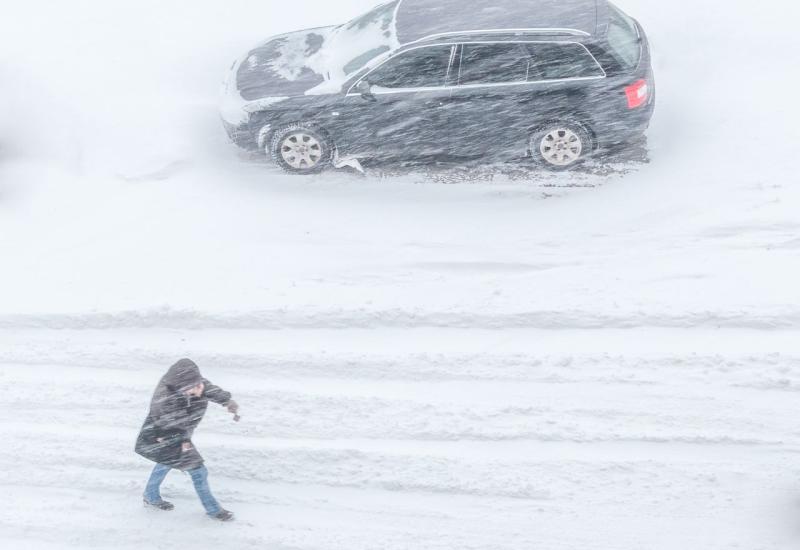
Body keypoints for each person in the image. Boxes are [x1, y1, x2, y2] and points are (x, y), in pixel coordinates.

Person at [135, 358, 239, 521]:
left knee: (165, 462)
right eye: (193, 389)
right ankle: (213, 510)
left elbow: (207, 388)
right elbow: (172, 424)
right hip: (165, 436)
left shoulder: (190, 379)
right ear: (181, 388)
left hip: (177, 435)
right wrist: (184, 442)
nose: (199, 391)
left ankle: (150, 495)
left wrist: (227, 401)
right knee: (198, 471)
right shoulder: (165, 398)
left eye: (199, 385)